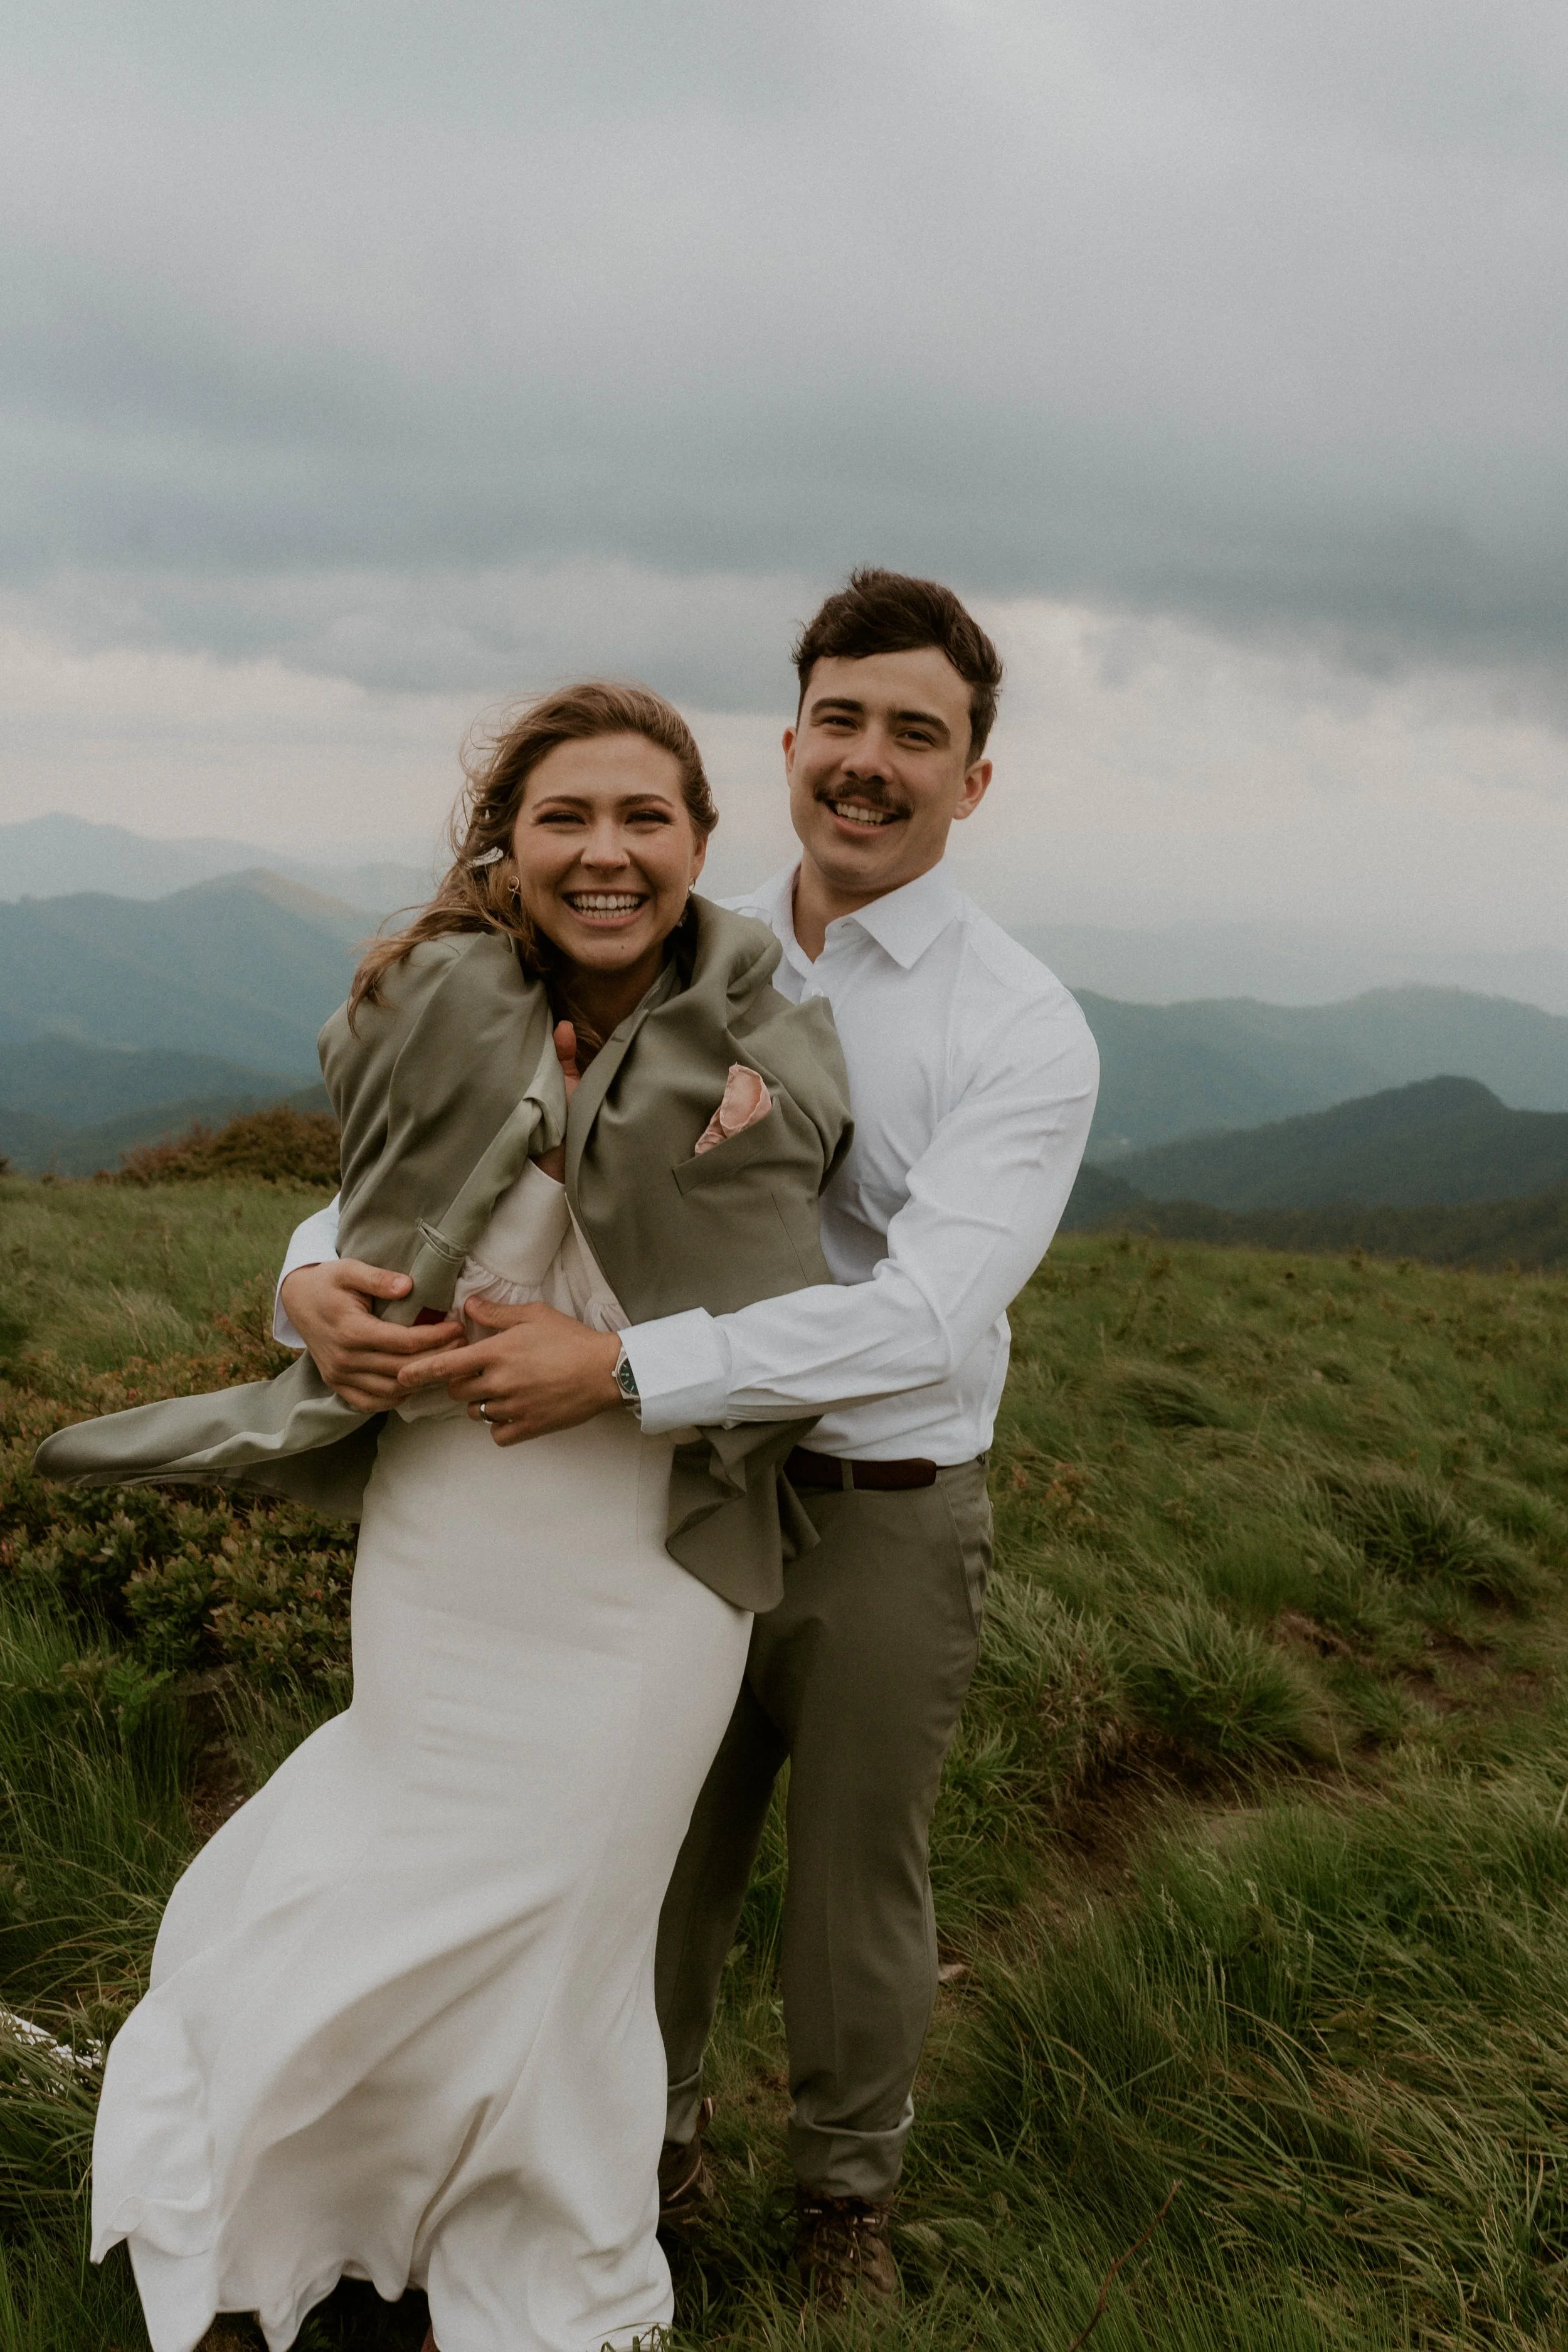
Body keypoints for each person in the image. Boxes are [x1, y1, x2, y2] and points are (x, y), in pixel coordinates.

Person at [276, 571, 1100, 2311]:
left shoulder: (1018, 1024)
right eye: (842, 721)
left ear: (975, 776)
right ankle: (630, 2159)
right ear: (790, 738)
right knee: (634, 1847)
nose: (870, 761)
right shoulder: (656, 928)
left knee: (851, 1878)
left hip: (871, 1501)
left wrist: (630, 1363)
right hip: (644, 1502)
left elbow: (920, 1316)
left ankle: (840, 2205)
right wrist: (305, 1284)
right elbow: (432, 1167)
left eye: (918, 734)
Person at [36, 682, 852, 2352]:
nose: (605, 851)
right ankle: (313, 2185)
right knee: (411, 1849)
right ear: (509, 844)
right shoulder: (443, 1010)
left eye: (644, 817)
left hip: (648, 1551)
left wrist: (616, 1365)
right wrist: (304, 1292)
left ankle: (541, 2245)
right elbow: (359, 1206)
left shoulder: (772, 1034)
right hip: (453, 1529)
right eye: (565, 817)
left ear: (703, 842)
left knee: (567, 1905)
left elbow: (821, 1309)